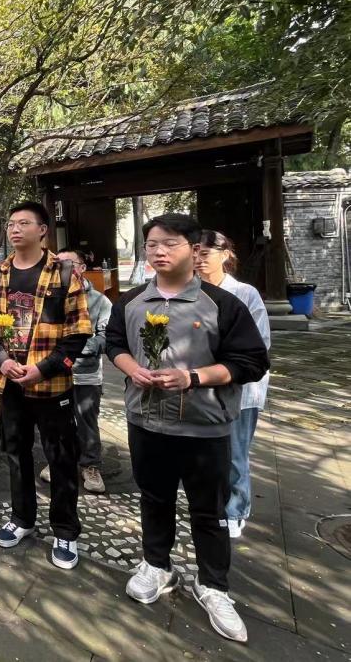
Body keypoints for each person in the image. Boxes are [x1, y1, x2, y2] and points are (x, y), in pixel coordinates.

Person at [106, 213, 269, 644]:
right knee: (154, 498)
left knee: (209, 511)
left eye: (170, 243)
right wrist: (132, 368)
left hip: (204, 427)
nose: (159, 252)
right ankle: (157, 565)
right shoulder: (131, 302)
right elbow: (115, 343)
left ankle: (213, 586)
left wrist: (193, 377)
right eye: (152, 245)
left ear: (194, 250)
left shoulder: (222, 304)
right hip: (147, 422)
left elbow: (252, 361)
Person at [0, 200, 92, 570]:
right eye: (11, 223)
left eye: (23, 223)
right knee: (16, 453)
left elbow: (78, 334)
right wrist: (2, 360)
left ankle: (65, 530)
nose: (14, 229)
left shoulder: (64, 273)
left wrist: (42, 369)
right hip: (10, 384)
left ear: (42, 230)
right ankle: (22, 518)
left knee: (61, 458)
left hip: (52, 386)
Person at [195, 230, 271, 539]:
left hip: (241, 389)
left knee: (235, 454)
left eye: (205, 253)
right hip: (201, 388)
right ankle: (212, 506)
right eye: (195, 253)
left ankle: (236, 510)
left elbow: (260, 344)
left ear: (225, 255)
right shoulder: (192, 292)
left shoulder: (244, 294)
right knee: (206, 454)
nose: (198, 260)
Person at [39, 249, 112, 493]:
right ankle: (58, 461)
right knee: (57, 421)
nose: (61, 268)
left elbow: (106, 338)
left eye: (67, 263)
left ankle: (90, 465)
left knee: (86, 421)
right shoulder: (47, 296)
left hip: (85, 373)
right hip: (54, 372)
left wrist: (74, 348)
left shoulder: (100, 301)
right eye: (57, 264)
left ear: (82, 267)